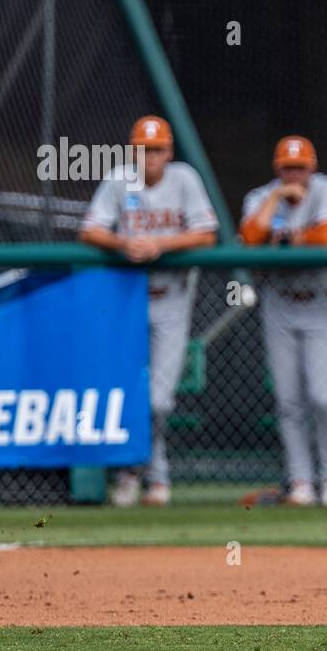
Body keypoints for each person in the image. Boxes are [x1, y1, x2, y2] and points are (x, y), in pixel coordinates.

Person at [80, 115, 218, 507]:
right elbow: (89, 230)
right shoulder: (120, 179)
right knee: (129, 393)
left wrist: (161, 244)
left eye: (157, 149)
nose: (150, 157)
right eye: (143, 149)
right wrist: (124, 243)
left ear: (169, 152)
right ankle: (146, 475)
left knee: (160, 400)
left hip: (171, 298)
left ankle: (140, 471)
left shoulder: (184, 179)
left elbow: (207, 235)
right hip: (126, 300)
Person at [240, 136, 327, 507]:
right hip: (280, 302)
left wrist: (283, 239)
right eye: (288, 168)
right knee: (288, 401)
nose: (294, 174)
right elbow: (251, 239)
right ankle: (301, 481)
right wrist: (275, 200)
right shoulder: (260, 197)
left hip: (322, 301)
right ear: (278, 169)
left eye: (300, 167)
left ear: (312, 167)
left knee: (324, 397)